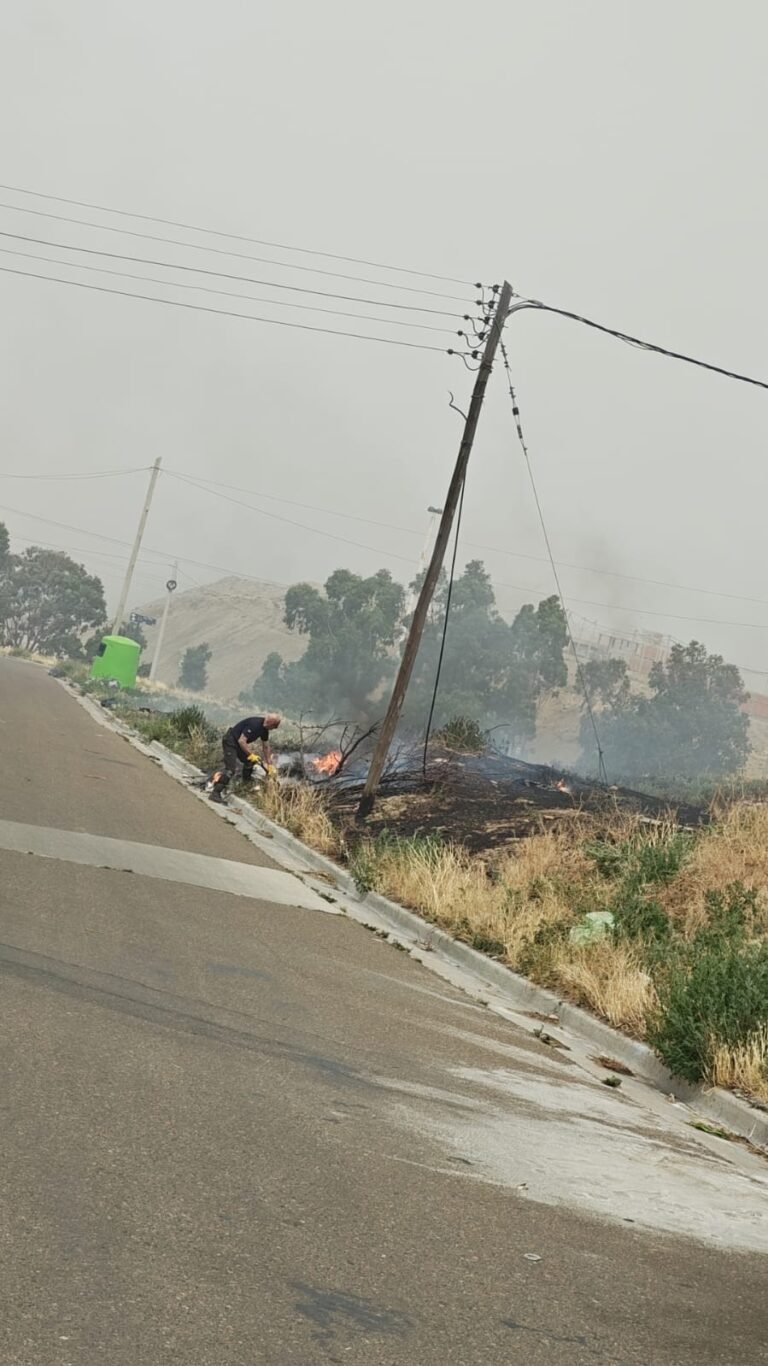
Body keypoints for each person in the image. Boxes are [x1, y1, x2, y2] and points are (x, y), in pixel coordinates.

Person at [209, 713, 281, 802]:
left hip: (238, 745)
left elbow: (266, 747)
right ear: (271, 723)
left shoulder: (264, 730)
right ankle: (215, 793)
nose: (273, 729)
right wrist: (251, 755)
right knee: (230, 770)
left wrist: (270, 765)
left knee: (250, 762)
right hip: (230, 742)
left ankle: (244, 785)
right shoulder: (255, 724)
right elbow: (242, 741)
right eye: (274, 727)